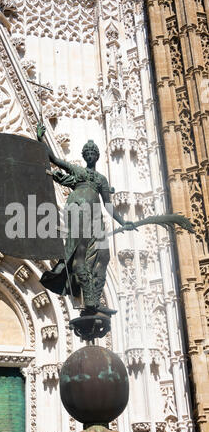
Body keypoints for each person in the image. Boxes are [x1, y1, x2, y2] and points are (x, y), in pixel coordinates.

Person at [37, 123, 136, 317]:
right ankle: (90, 300)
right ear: (84, 155)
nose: (90, 155)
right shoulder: (78, 171)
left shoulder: (101, 180)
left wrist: (124, 222)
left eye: (93, 153)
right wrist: (41, 139)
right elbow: (55, 159)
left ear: (96, 156)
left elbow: (108, 205)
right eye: (87, 153)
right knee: (79, 253)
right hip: (78, 211)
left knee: (103, 256)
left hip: (95, 216)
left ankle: (95, 300)